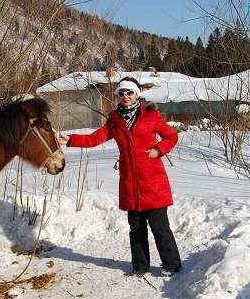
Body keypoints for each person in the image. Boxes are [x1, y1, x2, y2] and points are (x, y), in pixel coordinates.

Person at [57, 76, 182, 276]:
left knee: (160, 227)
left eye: (129, 92)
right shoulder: (114, 120)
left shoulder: (151, 116)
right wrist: (71, 140)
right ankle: (140, 266)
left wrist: (159, 150)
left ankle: (172, 265)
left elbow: (172, 136)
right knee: (136, 229)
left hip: (153, 180)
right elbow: (94, 138)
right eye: (122, 93)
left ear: (137, 94)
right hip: (130, 182)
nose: (125, 97)